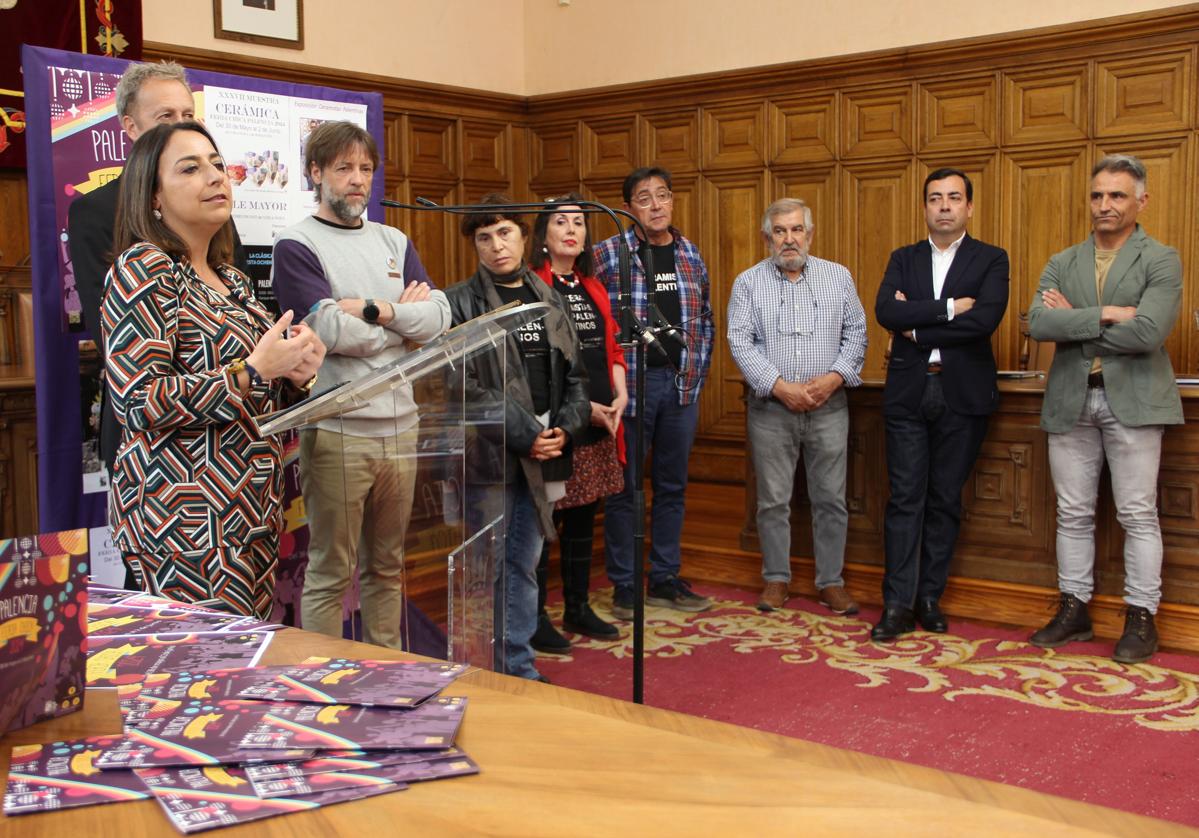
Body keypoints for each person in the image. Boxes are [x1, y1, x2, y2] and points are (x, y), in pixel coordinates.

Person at [102, 121, 324, 618]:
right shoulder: (144, 267)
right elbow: (138, 400)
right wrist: (250, 370)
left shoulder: (233, 281)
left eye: (218, 164)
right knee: (207, 676)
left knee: (242, 670)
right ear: (153, 195)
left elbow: (264, 393)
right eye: (191, 168)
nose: (215, 176)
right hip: (185, 520)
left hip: (252, 511)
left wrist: (299, 373)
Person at [272, 121, 449, 649]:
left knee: (387, 569)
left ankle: (387, 678)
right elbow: (326, 330)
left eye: (365, 169)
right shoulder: (296, 243)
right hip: (339, 431)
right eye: (343, 168)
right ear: (315, 173)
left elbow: (438, 318)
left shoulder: (394, 239)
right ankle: (325, 683)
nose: (356, 180)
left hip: (402, 429)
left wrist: (374, 310)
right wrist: (400, 328)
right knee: (331, 571)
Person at [1027, 154, 1183, 664]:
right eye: (1097, 195)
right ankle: (1074, 608)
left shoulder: (1161, 258)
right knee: (1072, 513)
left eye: (1117, 195)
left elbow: (1148, 333)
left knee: (1138, 514)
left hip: (1135, 402)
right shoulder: (1063, 260)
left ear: (1142, 200)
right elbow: (1038, 324)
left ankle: (1142, 615)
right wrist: (1109, 315)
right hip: (1071, 400)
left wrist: (1077, 321)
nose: (1104, 205)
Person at [69, 60, 247, 476]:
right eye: (165, 116)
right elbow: (113, 340)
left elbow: (242, 319)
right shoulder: (94, 213)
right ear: (131, 128)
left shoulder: (215, 208)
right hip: (160, 458)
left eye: (187, 115)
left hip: (235, 448)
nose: (179, 126)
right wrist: (242, 373)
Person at [444, 193, 590, 681]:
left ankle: (517, 665)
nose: (495, 246)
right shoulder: (460, 302)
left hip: (546, 450)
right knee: (490, 570)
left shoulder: (548, 297)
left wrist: (563, 431)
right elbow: (460, 385)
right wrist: (526, 434)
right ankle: (499, 669)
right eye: (483, 237)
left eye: (504, 233)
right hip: (493, 456)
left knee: (526, 564)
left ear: (524, 237)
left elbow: (575, 377)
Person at [872, 168, 1010, 641]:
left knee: (945, 500)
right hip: (909, 392)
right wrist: (951, 308)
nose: (945, 206)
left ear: (969, 207)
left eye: (954, 198)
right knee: (905, 498)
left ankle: (929, 598)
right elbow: (887, 311)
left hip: (963, 394)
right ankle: (897, 604)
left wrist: (916, 327)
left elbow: (984, 322)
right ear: (925, 207)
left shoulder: (992, 259)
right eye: (935, 199)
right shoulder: (903, 258)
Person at [727, 198, 866, 615]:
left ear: (810, 233)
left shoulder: (838, 277)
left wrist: (834, 378)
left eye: (796, 230)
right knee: (771, 501)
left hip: (830, 406)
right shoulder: (748, 282)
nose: (789, 239)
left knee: (831, 500)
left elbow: (857, 333)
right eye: (780, 231)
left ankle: (831, 582)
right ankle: (776, 579)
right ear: (768, 237)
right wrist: (779, 386)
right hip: (772, 409)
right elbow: (739, 340)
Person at [593, 166, 715, 619]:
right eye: (645, 198)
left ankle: (664, 577)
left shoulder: (689, 254)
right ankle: (625, 585)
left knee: (672, 487)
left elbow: (704, 316)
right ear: (628, 209)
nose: (657, 205)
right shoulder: (607, 254)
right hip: (630, 387)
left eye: (663, 195)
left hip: (679, 386)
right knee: (626, 489)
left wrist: (696, 369)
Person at [528, 193, 626, 652]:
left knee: (586, 518)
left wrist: (620, 390)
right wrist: (581, 405)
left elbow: (611, 349)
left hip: (602, 420)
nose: (572, 230)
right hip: (560, 421)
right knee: (546, 521)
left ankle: (577, 606)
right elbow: (540, 365)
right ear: (543, 236)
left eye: (579, 223)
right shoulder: (533, 285)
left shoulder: (593, 286)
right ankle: (533, 616)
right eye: (561, 222)